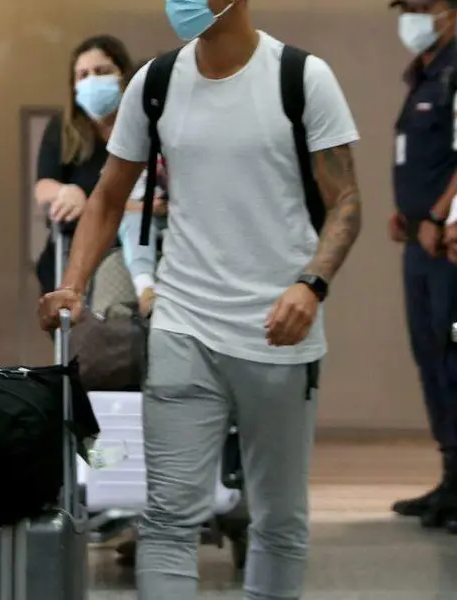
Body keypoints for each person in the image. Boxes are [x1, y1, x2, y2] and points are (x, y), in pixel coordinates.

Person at [37, 1, 362, 598]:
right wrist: (74, 284)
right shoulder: (155, 84)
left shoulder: (301, 78)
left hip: (278, 332)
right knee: (166, 516)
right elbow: (108, 197)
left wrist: (311, 284)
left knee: (278, 518)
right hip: (183, 324)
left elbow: (345, 202)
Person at [387, 0, 457, 534]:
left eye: (421, 6)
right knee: (430, 357)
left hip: (447, 242)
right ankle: (450, 480)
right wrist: (409, 213)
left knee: (452, 358)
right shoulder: (426, 73)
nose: (410, 17)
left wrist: (438, 213)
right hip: (420, 240)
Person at [34, 36, 163, 316]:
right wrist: (66, 193)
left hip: (146, 239)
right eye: (83, 75)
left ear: (123, 76)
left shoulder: (145, 126)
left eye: (102, 72)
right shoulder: (63, 129)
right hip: (86, 248)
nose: (92, 81)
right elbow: (44, 186)